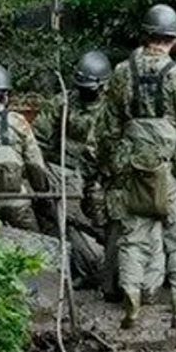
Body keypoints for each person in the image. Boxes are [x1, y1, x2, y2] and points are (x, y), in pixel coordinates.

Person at [100, 3, 176, 329]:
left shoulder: (122, 72)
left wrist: (112, 169)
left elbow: (107, 128)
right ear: (174, 40)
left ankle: (132, 309)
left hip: (135, 167)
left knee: (133, 238)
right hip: (173, 171)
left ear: (145, 34)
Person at [33, 50, 112, 285]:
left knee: (101, 221)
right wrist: (44, 170)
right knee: (68, 221)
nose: (86, 92)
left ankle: (106, 266)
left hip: (99, 175)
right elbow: (38, 138)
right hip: (65, 173)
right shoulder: (63, 102)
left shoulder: (111, 106)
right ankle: (83, 266)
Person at [0, 63, 48, 230]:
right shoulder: (18, 121)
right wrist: (42, 192)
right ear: (5, 95)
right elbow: (35, 164)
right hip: (15, 200)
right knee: (35, 242)